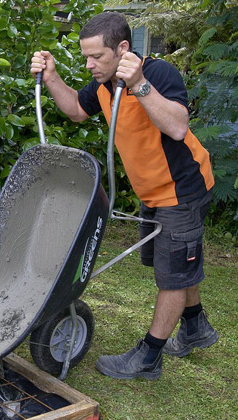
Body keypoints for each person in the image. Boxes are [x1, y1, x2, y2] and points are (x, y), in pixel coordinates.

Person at [30, 11, 218, 380]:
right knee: (177, 265)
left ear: (123, 48)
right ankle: (195, 327)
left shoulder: (159, 73)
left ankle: (149, 357)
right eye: (85, 57)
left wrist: (140, 84)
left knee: (172, 277)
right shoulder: (102, 85)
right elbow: (74, 110)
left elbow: (178, 127)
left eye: (97, 57)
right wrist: (52, 77)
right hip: (152, 191)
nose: (89, 65)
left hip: (183, 190)